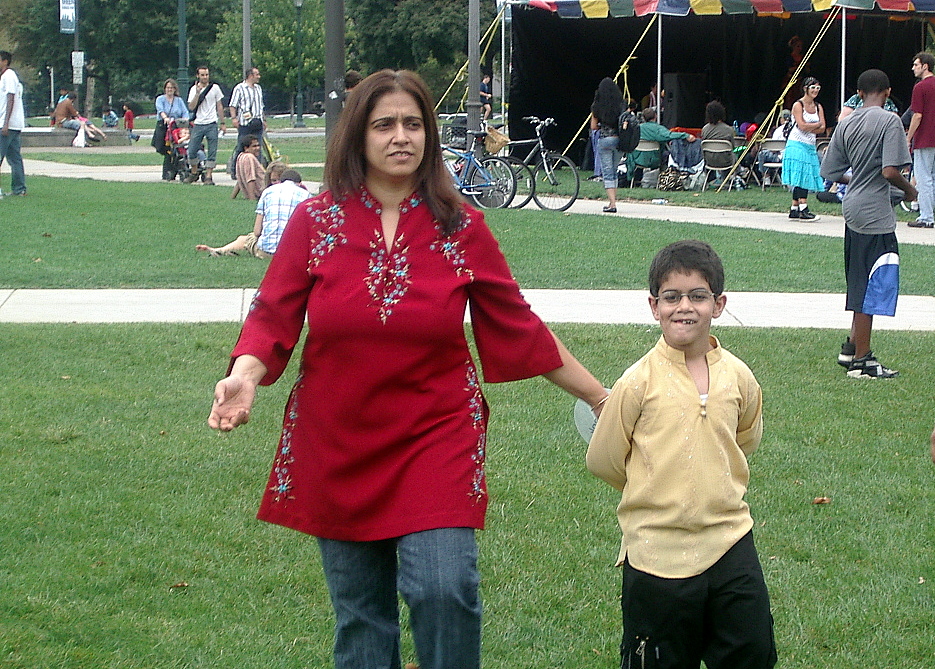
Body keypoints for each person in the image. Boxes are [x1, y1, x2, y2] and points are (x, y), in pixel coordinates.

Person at [206, 69, 607, 669]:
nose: (401, 136)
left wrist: (601, 397)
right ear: (358, 135)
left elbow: (519, 325)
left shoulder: (461, 227)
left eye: (414, 124)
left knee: (444, 588)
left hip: (436, 432)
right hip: (337, 438)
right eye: (384, 124)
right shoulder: (316, 221)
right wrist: (245, 374)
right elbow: (272, 312)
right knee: (362, 618)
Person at [587, 239, 776, 669]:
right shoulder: (637, 382)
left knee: (750, 652)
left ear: (719, 304)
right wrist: (657, 484)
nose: (684, 307)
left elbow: (744, 439)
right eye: (671, 297)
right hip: (656, 553)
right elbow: (605, 459)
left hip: (730, 543)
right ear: (654, 307)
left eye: (698, 296)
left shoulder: (739, 377)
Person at [821, 69, 916, 379]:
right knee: (873, 283)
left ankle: (851, 347)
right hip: (875, 212)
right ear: (887, 92)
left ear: (859, 94)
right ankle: (863, 360)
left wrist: (858, 180)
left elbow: (829, 172)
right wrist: (911, 191)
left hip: (853, 208)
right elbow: (890, 170)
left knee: (860, 278)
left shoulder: (846, 123)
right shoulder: (890, 121)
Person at [197, 169, 311, 258]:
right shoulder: (307, 196)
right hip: (294, 254)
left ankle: (219, 250)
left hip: (267, 251)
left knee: (245, 239)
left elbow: (257, 232)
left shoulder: (268, 192)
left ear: (281, 181)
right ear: (300, 183)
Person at [782, 76, 825, 220]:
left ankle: (794, 208)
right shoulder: (798, 105)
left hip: (810, 145)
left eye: (817, 88)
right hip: (797, 144)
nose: (815, 91)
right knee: (802, 175)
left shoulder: (818, 106)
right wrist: (815, 125)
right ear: (805, 89)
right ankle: (803, 207)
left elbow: (823, 127)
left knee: (803, 175)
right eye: (813, 88)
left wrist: (810, 126)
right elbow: (801, 125)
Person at [625, 106, 696, 182]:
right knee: (667, 154)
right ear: (655, 116)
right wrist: (686, 135)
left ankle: (634, 182)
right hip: (655, 160)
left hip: (637, 159)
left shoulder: (636, 129)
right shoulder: (658, 128)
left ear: (643, 118)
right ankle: (666, 180)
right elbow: (669, 135)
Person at [906, 51, 935, 229]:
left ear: (925, 66)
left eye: (916, 65)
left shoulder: (920, 87)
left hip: (925, 137)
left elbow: (917, 115)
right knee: (933, 177)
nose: (913, 68)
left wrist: (909, 138)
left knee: (923, 178)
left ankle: (926, 217)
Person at [186, 65, 226, 185]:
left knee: (212, 150)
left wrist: (222, 122)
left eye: (207, 75)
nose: (205, 77)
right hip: (199, 123)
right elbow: (191, 107)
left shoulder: (215, 88)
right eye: (202, 75)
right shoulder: (193, 89)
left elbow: (219, 105)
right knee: (192, 150)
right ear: (198, 76)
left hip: (212, 123)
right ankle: (194, 172)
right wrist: (197, 94)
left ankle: (209, 176)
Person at [590, 77, 624, 212]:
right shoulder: (621, 104)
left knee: (607, 172)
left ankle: (612, 203)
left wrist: (602, 125)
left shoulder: (597, 106)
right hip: (619, 140)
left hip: (605, 140)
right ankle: (612, 201)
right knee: (614, 171)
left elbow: (593, 127)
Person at [229, 66, 266, 176]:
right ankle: (235, 170)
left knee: (257, 147)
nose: (259, 77)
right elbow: (233, 105)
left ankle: (256, 171)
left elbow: (261, 106)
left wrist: (263, 119)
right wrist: (234, 118)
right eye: (257, 74)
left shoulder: (258, 88)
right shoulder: (239, 88)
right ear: (250, 76)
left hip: (257, 122)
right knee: (241, 146)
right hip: (245, 124)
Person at [0, 49, 26, 198]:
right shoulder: (5, 76)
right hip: (13, 124)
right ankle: (19, 189)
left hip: (7, 125)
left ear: (5, 61)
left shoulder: (9, 76)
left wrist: (5, 124)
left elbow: (10, 99)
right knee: (14, 158)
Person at [155, 78, 190, 180]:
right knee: (164, 148)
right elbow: (160, 110)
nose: (169, 90)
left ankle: (177, 168)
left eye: (171, 88)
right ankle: (169, 168)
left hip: (176, 126)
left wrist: (185, 120)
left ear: (175, 89)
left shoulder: (178, 100)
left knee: (177, 147)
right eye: (168, 88)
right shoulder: (160, 99)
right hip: (164, 125)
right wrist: (165, 118)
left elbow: (185, 112)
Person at [231, 134, 264, 200]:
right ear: (246, 148)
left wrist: (232, 197)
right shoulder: (249, 157)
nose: (258, 148)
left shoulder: (240, 156)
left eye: (258, 145)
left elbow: (239, 181)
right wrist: (252, 198)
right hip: (260, 194)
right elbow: (251, 179)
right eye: (254, 146)